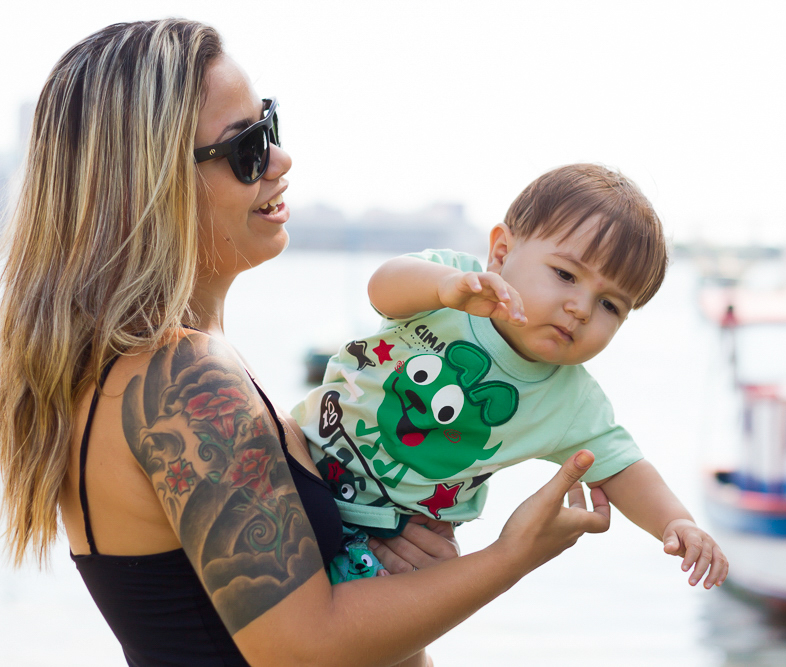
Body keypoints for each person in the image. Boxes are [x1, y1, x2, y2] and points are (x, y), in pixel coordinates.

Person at [0, 19, 613, 667]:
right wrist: (514, 553)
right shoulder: (181, 374)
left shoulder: (135, 365)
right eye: (247, 148)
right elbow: (302, 646)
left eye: (271, 124)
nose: (281, 160)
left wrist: (396, 575)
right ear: (150, 186)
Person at [293, 164, 729, 589]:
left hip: (393, 539)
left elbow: (625, 470)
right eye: (565, 274)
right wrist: (446, 286)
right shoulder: (454, 285)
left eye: (610, 305)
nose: (581, 307)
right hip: (300, 459)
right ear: (501, 253)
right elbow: (383, 288)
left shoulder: (571, 401)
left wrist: (677, 521)